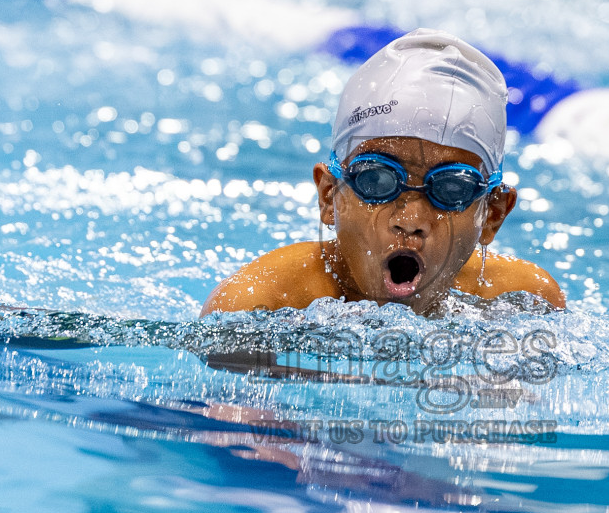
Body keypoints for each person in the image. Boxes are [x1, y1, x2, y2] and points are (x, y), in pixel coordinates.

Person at [201, 30, 565, 316]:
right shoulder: (260, 305)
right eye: (377, 180)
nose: (411, 220)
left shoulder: (522, 304)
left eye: (453, 188)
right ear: (330, 195)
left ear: (493, 215)